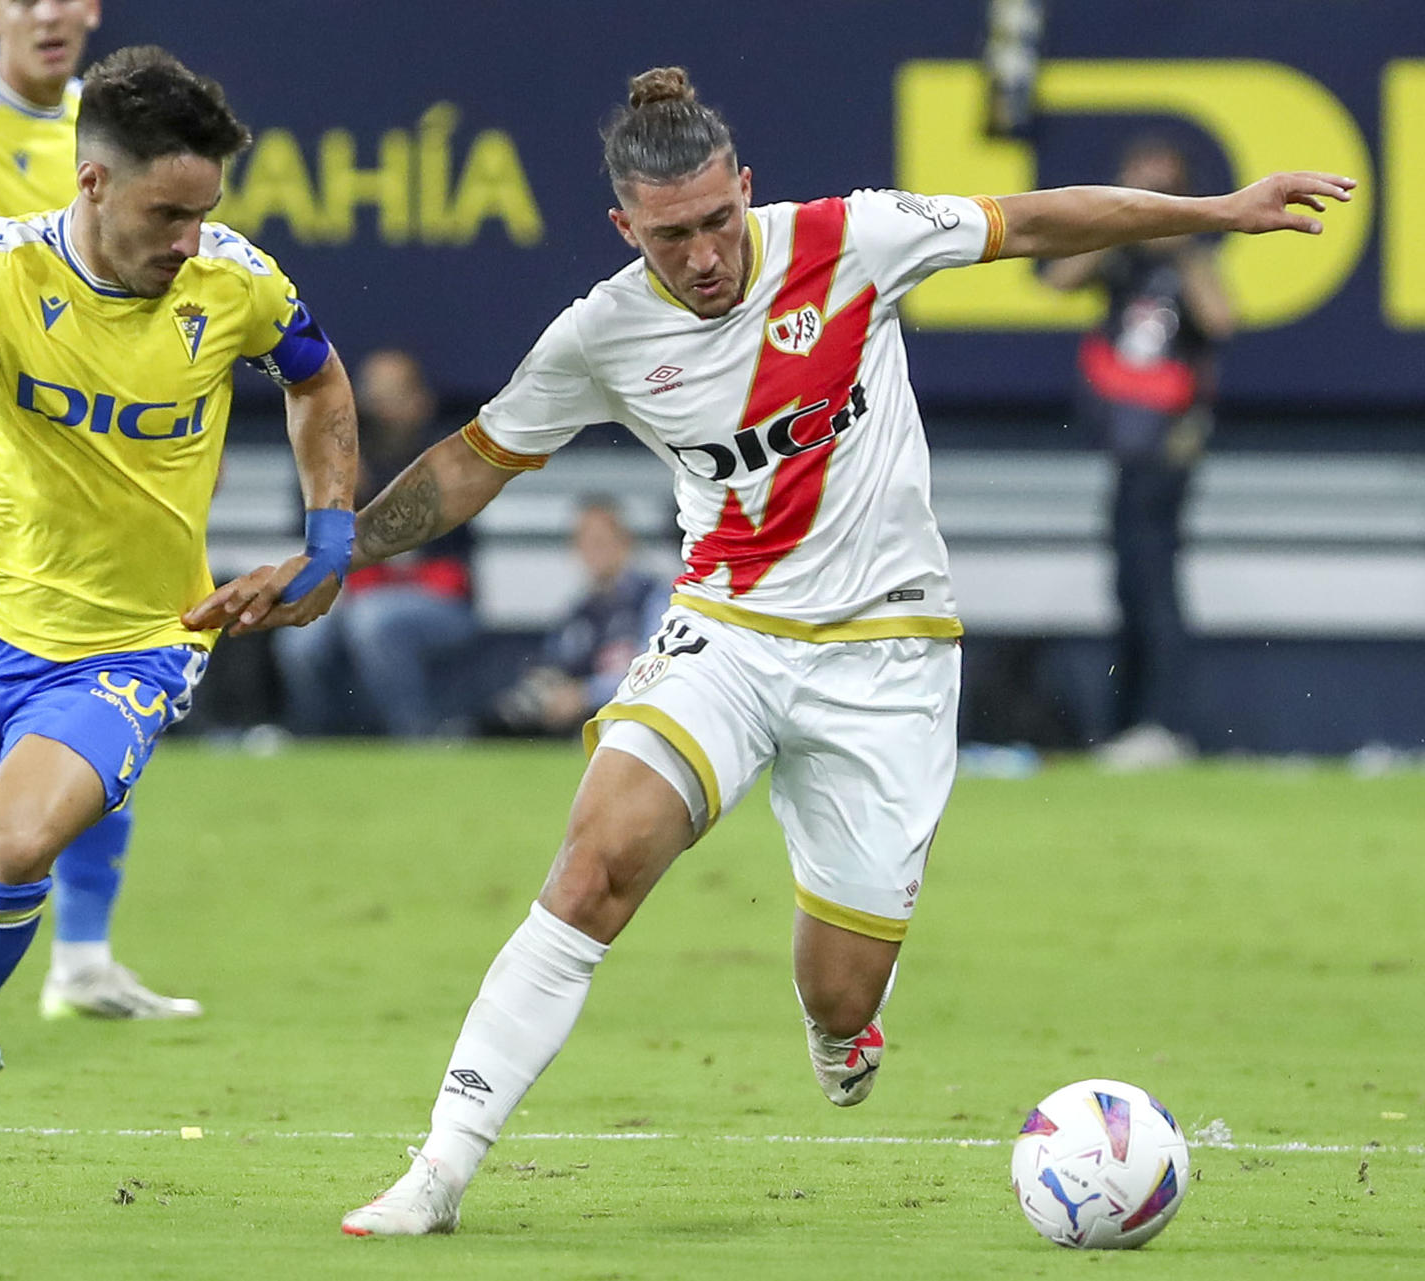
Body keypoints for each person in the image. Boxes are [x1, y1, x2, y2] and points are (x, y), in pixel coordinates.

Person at [194, 66, 1348, 1235]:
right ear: (623, 227)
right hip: (729, 634)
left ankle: (846, 1023)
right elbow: (469, 464)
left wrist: (1217, 213)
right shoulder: (600, 334)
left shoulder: (853, 240)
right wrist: (334, 554)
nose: (702, 257)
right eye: (669, 237)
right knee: (594, 869)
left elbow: (1038, 219)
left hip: (890, 656)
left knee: (838, 997)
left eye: (715, 223)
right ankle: (439, 1171)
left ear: (745, 189)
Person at [0, 45, 356, 1212]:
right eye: (169, 213)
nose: (190, 240)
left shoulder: (236, 282)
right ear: (93, 184)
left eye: (206, 213)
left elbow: (317, 380)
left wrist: (329, 537)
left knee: (13, 851)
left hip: (137, 641)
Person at [0, 0, 196, 1022]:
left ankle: (82, 957)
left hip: (109, 472)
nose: (55, 13)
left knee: (104, 716)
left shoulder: (104, 128)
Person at [1042, 137, 1234, 771]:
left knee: (1155, 581)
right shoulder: (1118, 258)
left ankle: (1165, 725)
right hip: (1126, 443)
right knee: (1128, 581)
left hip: (1171, 446)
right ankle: (1128, 725)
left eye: (1166, 194)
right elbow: (1056, 278)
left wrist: (1179, 238)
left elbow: (1222, 318)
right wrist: (1117, 222)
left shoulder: (1191, 257)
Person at [275, 349, 478, 737]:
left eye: (393, 395)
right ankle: (317, 741)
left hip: (439, 599)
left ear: (420, 400)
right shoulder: (345, 458)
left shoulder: (443, 456)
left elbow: (451, 569)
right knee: (300, 638)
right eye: (374, 395)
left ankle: (413, 733)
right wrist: (339, 495)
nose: (381, 406)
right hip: (354, 595)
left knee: (372, 620)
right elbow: (304, 535)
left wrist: (377, 501)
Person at [491, 496, 665, 735]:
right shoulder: (580, 610)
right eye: (583, 542)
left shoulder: (653, 598)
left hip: (637, 720)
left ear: (624, 542)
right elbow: (556, 664)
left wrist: (586, 695)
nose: (592, 551)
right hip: (582, 723)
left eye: (600, 541)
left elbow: (659, 671)